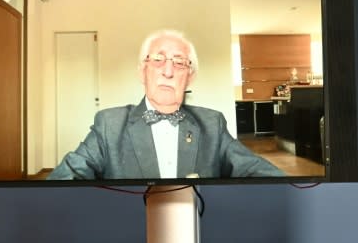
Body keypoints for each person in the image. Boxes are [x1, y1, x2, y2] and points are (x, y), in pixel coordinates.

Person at [48, 29, 285, 180]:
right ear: (142, 71)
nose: (168, 71)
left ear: (190, 76)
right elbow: (66, 177)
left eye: (179, 62)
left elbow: (257, 170)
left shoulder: (211, 123)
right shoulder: (110, 124)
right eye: (158, 60)